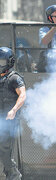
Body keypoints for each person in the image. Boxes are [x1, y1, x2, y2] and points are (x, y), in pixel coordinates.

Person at [0, 47, 26, 180]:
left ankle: (14, 177)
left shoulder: (14, 78)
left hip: (8, 122)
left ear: (9, 62)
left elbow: (23, 95)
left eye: (2, 61)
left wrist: (14, 110)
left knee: (5, 152)